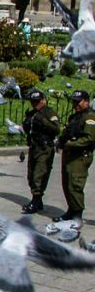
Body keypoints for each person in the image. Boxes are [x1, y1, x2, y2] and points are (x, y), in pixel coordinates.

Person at [54, 89, 95, 222]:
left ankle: (77, 214)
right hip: (69, 155)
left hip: (80, 156)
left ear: (86, 102)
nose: (75, 105)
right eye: (74, 102)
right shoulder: (75, 117)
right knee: (67, 184)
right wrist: (61, 141)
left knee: (75, 185)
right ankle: (71, 211)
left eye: (78, 102)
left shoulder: (90, 118)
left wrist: (70, 144)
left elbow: (89, 138)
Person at [22, 90, 60, 214]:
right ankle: (38, 201)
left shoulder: (49, 113)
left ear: (43, 100)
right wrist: (26, 123)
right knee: (31, 175)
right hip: (34, 147)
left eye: (37, 102)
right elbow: (28, 129)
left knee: (39, 174)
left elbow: (56, 129)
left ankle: (36, 200)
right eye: (33, 102)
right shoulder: (32, 113)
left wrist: (43, 121)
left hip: (45, 148)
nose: (35, 104)